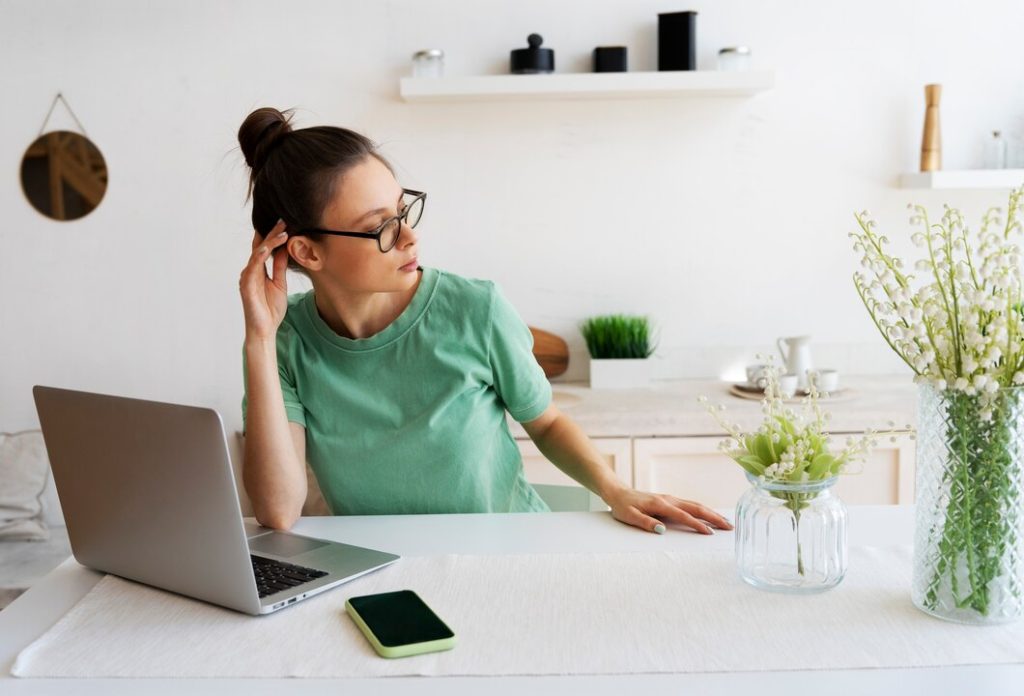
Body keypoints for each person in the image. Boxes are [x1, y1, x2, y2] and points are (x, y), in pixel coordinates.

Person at [237, 106, 732, 537]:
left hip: (508, 554)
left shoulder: (476, 309)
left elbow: (547, 422)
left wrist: (616, 490)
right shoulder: (285, 342)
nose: (409, 236)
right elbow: (278, 511)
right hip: (388, 569)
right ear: (307, 252)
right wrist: (259, 340)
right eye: (380, 227)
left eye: (404, 210)